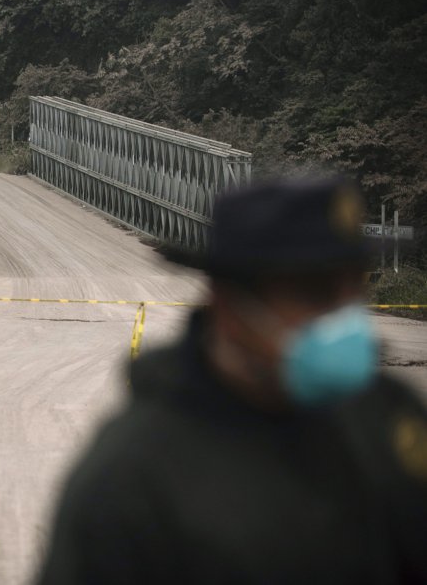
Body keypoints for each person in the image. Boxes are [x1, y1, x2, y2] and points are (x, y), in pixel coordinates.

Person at [38, 178, 427, 584]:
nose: (345, 317)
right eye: (315, 292)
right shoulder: (129, 481)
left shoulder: (390, 417)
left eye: (355, 289)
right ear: (229, 307)